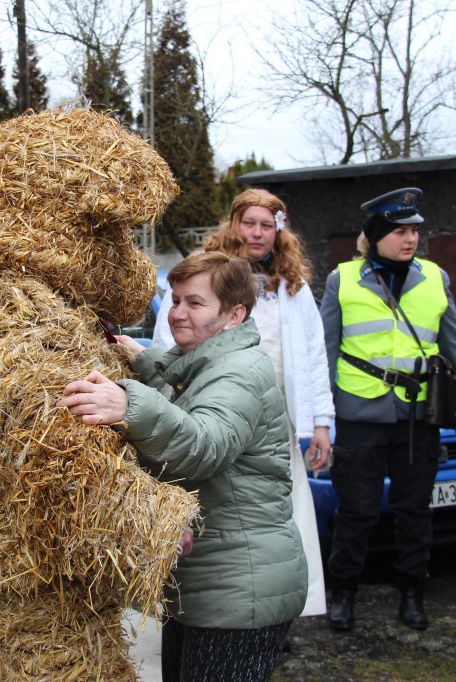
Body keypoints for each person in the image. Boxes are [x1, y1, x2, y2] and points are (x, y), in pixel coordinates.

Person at [60, 252, 307, 682]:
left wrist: (128, 403)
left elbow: (203, 444)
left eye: (195, 303)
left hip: (240, 590)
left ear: (234, 315)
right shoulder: (206, 362)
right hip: (207, 586)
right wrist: (146, 362)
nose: (176, 314)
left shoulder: (242, 372)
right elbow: (188, 399)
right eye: (174, 301)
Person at [153, 189, 334, 618]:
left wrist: (320, 421)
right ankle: (220, 599)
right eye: (248, 223)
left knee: (277, 507)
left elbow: (313, 353)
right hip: (216, 408)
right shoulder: (206, 273)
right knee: (222, 504)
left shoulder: (291, 284)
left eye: (266, 225)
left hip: (274, 420)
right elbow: (169, 336)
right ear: (233, 224)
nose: (256, 233)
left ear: (279, 231)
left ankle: (284, 604)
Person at [321, 187, 456, 632]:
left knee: (414, 510)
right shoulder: (342, 279)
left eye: (414, 231)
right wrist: (323, 417)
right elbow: (326, 351)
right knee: (357, 510)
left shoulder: (435, 277)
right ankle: (344, 592)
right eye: (400, 231)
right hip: (358, 413)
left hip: (418, 416)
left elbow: (455, 348)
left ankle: (412, 591)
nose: (410, 239)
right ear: (376, 235)